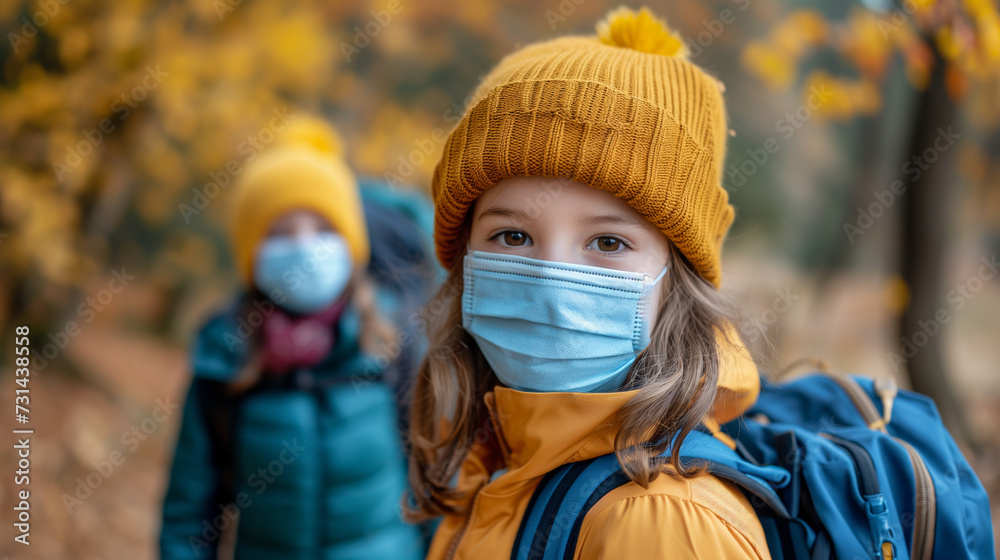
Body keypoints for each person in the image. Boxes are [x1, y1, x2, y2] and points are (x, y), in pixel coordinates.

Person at [406, 7, 771, 559]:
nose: (551, 283)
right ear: (463, 257)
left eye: (607, 243)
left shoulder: (661, 521)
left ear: (677, 278)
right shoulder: (494, 459)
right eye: (511, 236)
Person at [159, 116, 430, 560]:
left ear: (350, 243)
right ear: (251, 253)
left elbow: (436, 482)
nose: (304, 247)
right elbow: (190, 514)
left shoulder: (393, 343)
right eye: (281, 234)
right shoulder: (227, 355)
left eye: (323, 229)